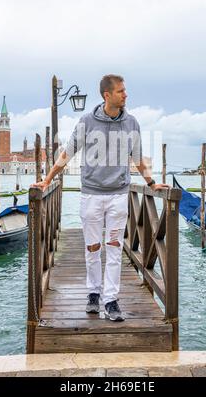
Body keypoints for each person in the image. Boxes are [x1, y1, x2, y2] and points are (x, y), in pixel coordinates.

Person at [32, 74, 169, 321]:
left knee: (114, 248)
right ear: (107, 95)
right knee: (92, 248)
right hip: (92, 196)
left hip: (118, 195)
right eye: (121, 91)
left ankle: (112, 300)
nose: (125, 95)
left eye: (125, 91)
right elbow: (67, 153)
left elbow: (138, 158)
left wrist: (151, 182)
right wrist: (48, 179)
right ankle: (93, 293)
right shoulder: (86, 122)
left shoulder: (132, 123)